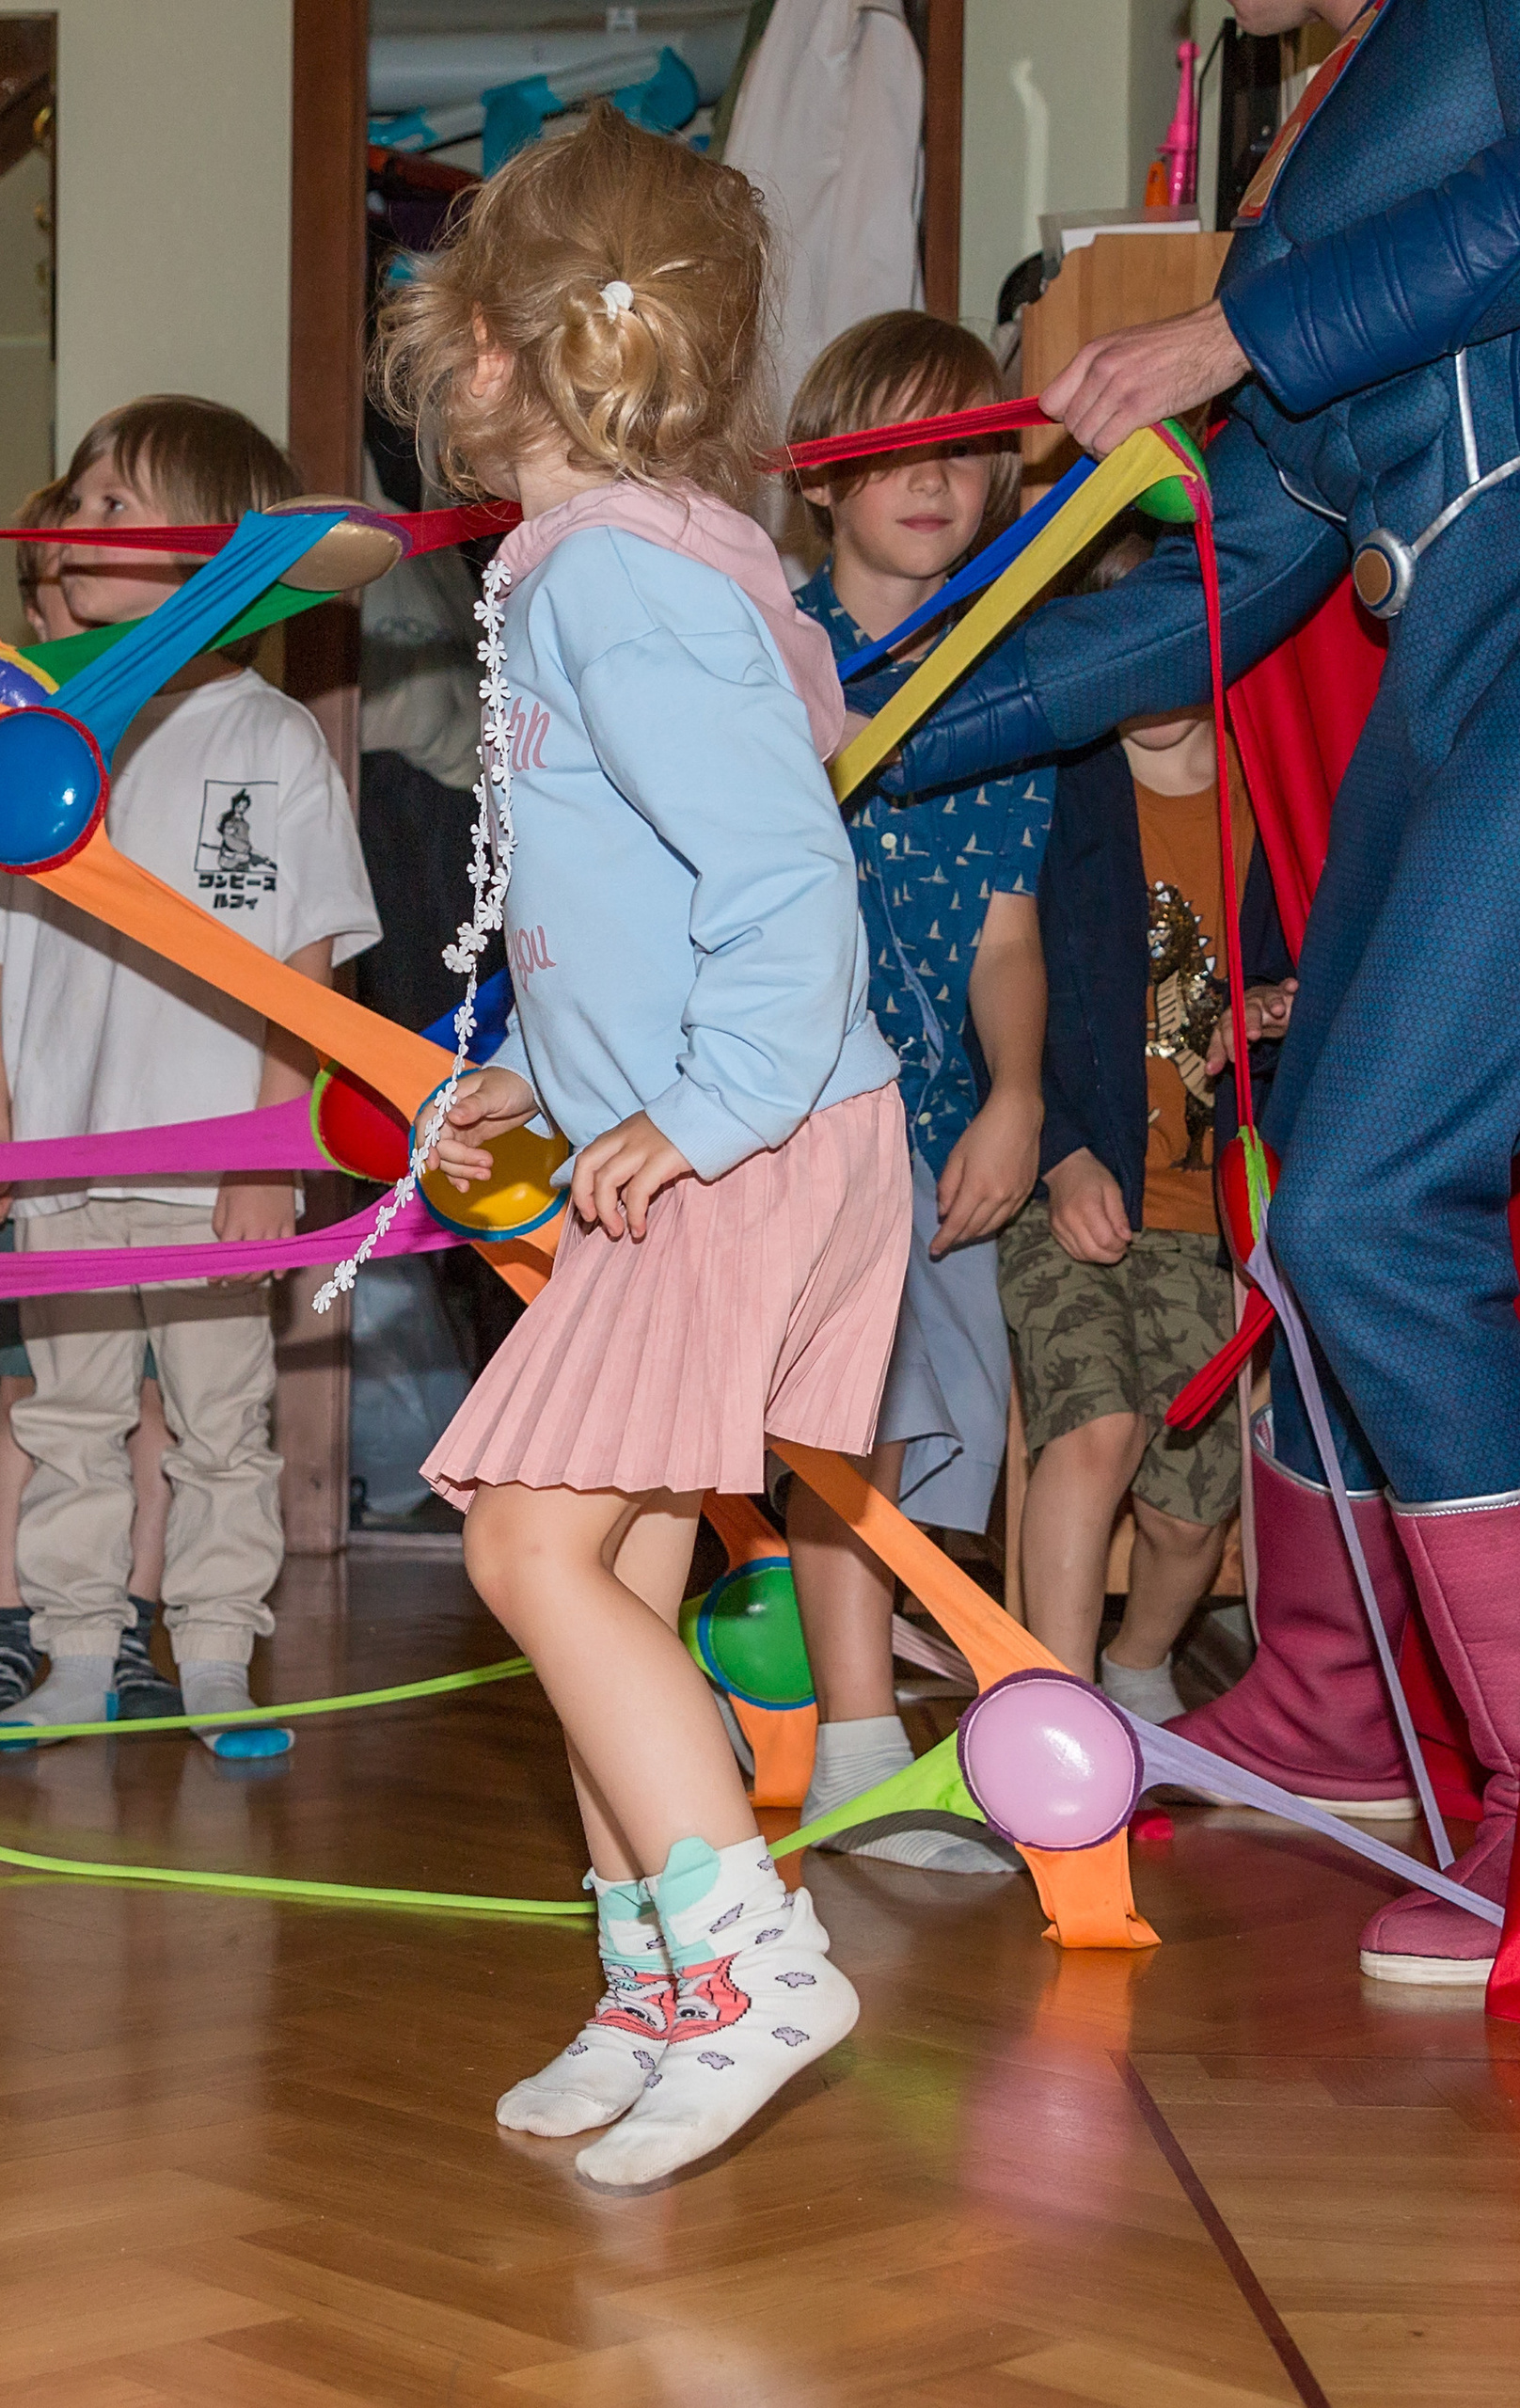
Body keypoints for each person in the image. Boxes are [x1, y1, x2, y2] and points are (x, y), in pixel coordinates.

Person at [879, 0, 1520, 1982]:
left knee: (1360, 1208)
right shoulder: (1323, 110)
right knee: (1315, 1215)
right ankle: (1335, 1706)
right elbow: (1224, 564)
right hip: (1451, 666)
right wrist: (872, 710)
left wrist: (1231, 331)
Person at [382, 103, 908, 2186]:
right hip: (707, 1127)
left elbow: (787, 884)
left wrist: (685, 1112)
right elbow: (652, 879)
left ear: (494, 347)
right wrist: (561, 1074)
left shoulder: (614, 578)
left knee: (522, 1542)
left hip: (742, 1141)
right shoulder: (641, 560)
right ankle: (651, 1979)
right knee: (621, 1561)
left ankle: (750, 1954)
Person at [0, 399, 380, 1753]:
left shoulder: (275, 739)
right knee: (68, 1419)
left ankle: (221, 1657)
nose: (79, 517)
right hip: (62, 1166)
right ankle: (73, 1652)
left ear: (213, 556)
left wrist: (264, 1151)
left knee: (220, 1426)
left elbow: (307, 967)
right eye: (84, 498)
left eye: (122, 502)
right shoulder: (39, 735)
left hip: (211, 1176)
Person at [782, 311, 1046, 1877]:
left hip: (937, 1120)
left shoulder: (1008, 676)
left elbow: (1007, 924)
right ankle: (862, 1762)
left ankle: (858, 1706)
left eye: (963, 447)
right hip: (800, 1114)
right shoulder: (770, 648)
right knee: (853, 1429)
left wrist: (1017, 1093)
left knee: (942, 1424)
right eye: (890, 449)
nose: (933, 479)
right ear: (822, 480)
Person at [1003, 531, 1274, 1719]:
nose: (1147, 681)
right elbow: (1002, 998)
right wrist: (1058, 1151)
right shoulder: (1057, 797)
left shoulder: (1276, 799)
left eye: (1172, 646)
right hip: (1064, 1178)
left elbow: (1344, 966)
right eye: (1118, 656)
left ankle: (1138, 1669)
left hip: (1206, 1217)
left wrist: (1282, 1005)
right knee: (1094, 1425)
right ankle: (1049, 1718)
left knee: (1186, 1509)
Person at [0, 480, 181, 1730]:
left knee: (149, 1402)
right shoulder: (3, 757)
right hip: (50, 1151)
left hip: (155, 1150)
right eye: (38, 590)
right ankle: (5, 1622)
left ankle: (127, 1623)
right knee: (32, 1395)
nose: (56, 611)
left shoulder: (165, 742)